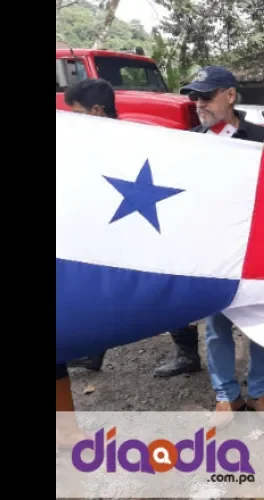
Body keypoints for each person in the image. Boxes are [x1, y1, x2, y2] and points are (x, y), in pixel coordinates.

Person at [176, 66, 264, 424]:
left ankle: (260, 392)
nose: (198, 104)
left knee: (263, 321)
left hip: (259, 250)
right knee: (217, 326)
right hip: (212, 253)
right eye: (194, 97)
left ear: (230, 95)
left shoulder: (261, 139)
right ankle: (226, 396)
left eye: (206, 96)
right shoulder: (188, 143)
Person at [62, 78, 120, 373]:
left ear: (96, 110)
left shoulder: (138, 141)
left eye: (76, 112)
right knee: (97, 287)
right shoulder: (82, 143)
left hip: (133, 228)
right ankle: (92, 352)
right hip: (98, 227)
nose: (71, 120)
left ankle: (187, 352)